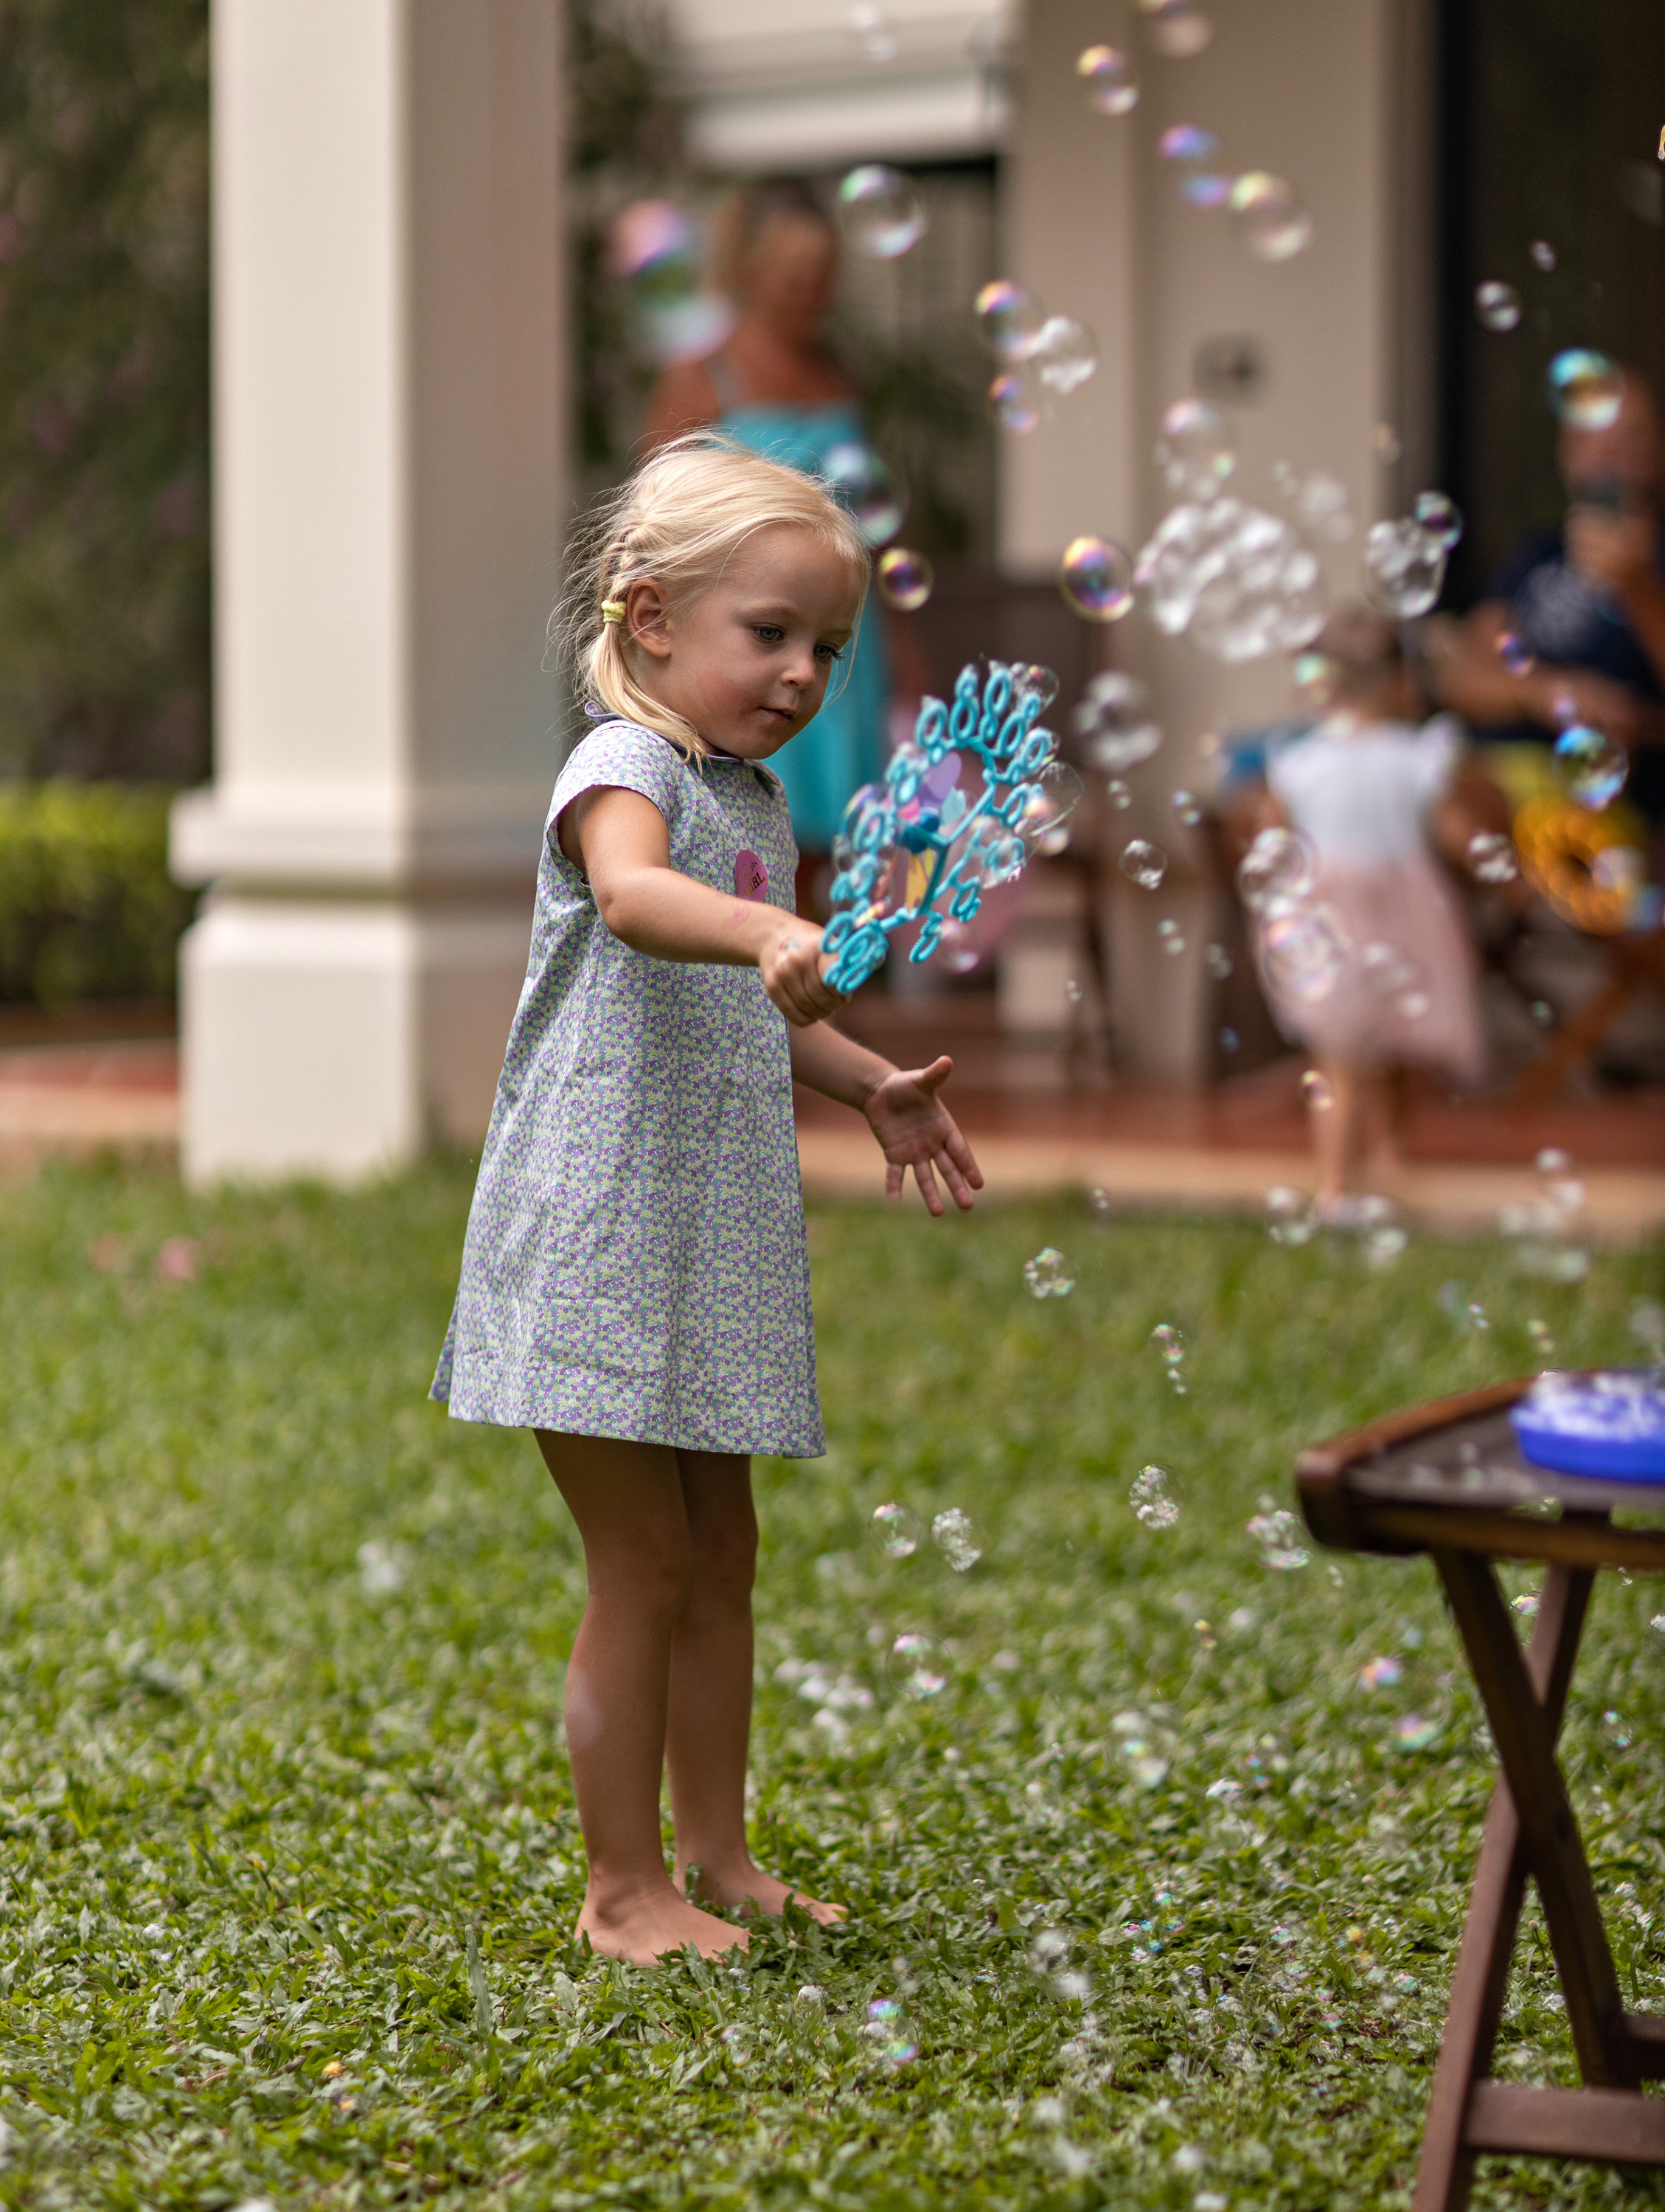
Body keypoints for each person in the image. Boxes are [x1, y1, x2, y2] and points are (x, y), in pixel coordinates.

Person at [430, 435, 982, 1967]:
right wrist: (757, 929)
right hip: (599, 1231)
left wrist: (871, 1080)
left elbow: (773, 1003)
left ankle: (717, 1855)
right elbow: (633, 899)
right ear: (654, 618)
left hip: (704, 1241)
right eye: (772, 633)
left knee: (722, 1554)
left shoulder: (748, 801)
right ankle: (621, 1891)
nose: (805, 673)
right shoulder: (628, 775)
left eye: (830, 647)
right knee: (646, 1561)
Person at [641, 178, 891, 872]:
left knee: (848, 851)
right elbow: (656, 524)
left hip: (844, 642)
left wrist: (909, 646)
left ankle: (832, 979)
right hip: (757, 630)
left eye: (824, 276)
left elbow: (871, 521)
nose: (812, 291)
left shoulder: (839, 373)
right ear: (750, 272)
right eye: (795, 275)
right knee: (768, 843)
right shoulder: (702, 379)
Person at [1257, 608, 1486, 1210]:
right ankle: (1388, 1159)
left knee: (1337, 1058)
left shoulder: (1299, 760)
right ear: (1397, 684)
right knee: (1389, 1047)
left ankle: (1336, 1182)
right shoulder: (1416, 755)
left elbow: (1270, 840)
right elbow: (1456, 832)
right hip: (1402, 914)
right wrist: (1496, 863)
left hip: (1321, 919)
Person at [1442, 366, 1665, 842]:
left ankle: (1547, 905)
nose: (1608, 454)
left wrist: (1637, 587)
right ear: (1567, 455)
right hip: (1511, 772)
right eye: (1591, 437)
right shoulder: (1538, 555)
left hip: (1618, 794)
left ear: (1658, 452)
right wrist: (1551, 692)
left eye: (1628, 437)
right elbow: (1463, 678)